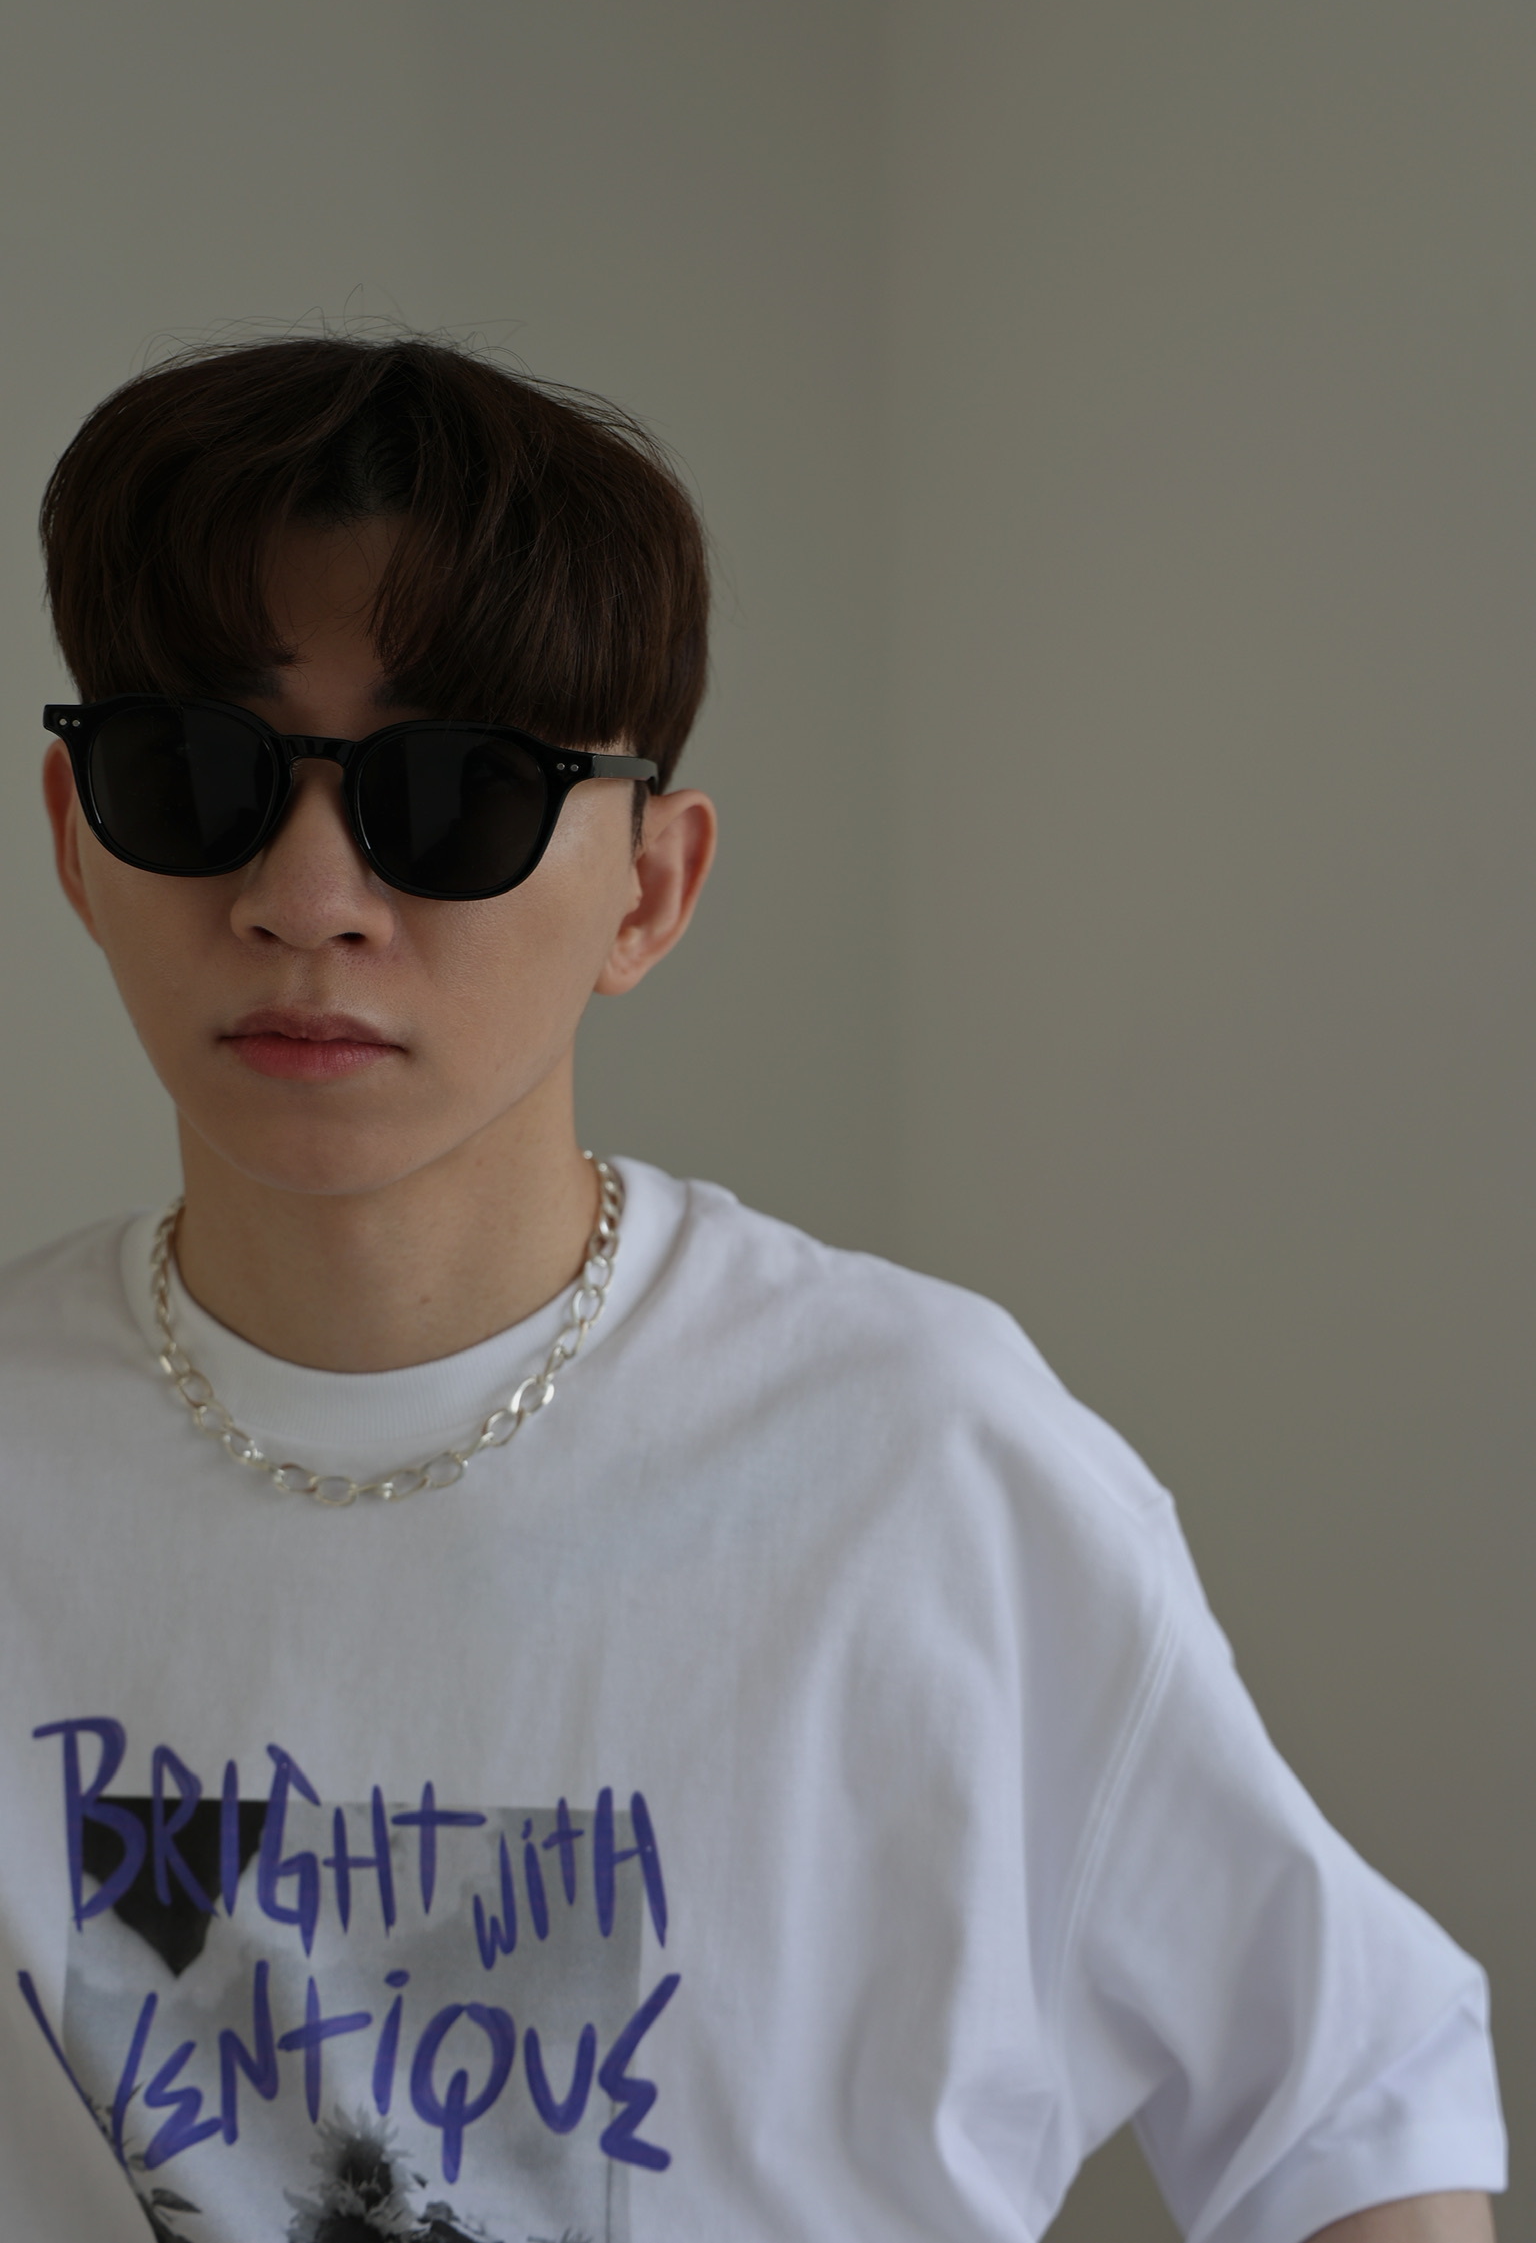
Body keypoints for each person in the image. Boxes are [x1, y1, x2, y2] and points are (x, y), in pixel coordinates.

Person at [1, 332, 1503, 2243]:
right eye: (193, 772)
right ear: (77, 835)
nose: (305, 896)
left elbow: (1353, 2100)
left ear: (648, 889)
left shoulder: (916, 1460)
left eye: (451, 793)